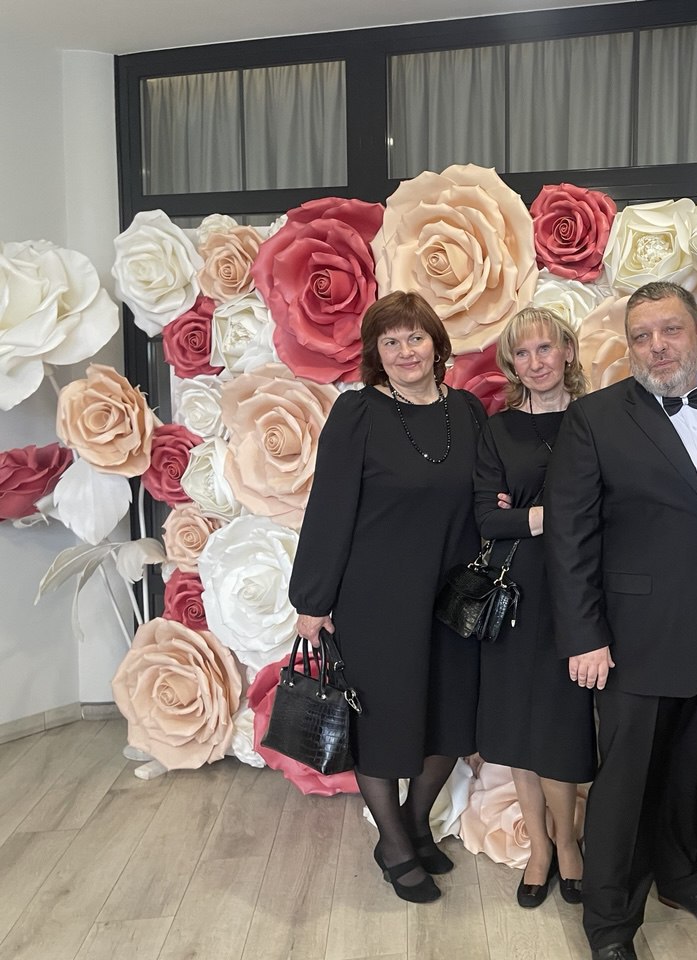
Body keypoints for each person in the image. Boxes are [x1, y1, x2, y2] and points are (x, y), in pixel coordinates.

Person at [545, 281, 697, 960]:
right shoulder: (595, 418)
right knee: (624, 788)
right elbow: (569, 535)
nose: (656, 347)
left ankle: (680, 875)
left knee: (689, 769)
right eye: (641, 336)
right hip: (634, 638)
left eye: (670, 330)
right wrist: (585, 635)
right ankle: (609, 923)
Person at [290, 291, 488, 903]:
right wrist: (313, 600)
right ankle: (396, 845)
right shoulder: (358, 413)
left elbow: (486, 493)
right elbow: (329, 509)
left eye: (415, 337)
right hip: (376, 599)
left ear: (436, 344)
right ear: (377, 353)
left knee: (450, 720)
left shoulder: (467, 411)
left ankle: (414, 823)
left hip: (452, 598)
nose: (405, 351)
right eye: (391, 341)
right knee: (382, 723)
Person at [473, 306, 595, 909]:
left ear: (567, 351)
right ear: (511, 364)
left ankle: (568, 844)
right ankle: (541, 850)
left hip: (578, 592)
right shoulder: (497, 430)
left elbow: (617, 505)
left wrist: (523, 515)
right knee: (518, 726)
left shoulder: (597, 419)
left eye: (544, 348)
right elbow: (485, 518)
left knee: (561, 723)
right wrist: (547, 516)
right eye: (521, 353)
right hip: (515, 592)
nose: (534, 362)